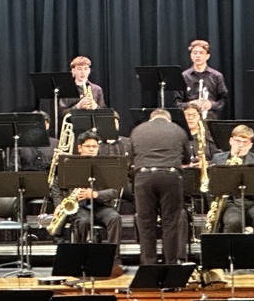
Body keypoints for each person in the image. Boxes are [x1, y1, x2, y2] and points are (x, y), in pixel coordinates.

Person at [129, 108, 190, 265]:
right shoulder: (178, 130)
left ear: (151, 118)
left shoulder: (137, 130)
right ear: (168, 119)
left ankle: (149, 265)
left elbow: (130, 158)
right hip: (170, 176)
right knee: (170, 223)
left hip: (144, 177)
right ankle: (171, 265)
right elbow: (187, 159)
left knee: (145, 222)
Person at [208, 124, 254, 246]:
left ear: (250, 145)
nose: (241, 145)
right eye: (238, 141)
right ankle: (231, 256)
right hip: (230, 202)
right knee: (234, 221)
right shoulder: (218, 158)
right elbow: (211, 186)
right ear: (231, 140)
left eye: (245, 142)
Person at [66, 131, 124, 277]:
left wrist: (96, 194)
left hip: (101, 206)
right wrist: (61, 204)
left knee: (115, 218)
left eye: (95, 146)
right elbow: (58, 187)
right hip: (79, 206)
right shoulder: (69, 164)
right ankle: (80, 260)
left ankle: (114, 261)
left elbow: (114, 191)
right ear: (79, 148)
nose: (92, 149)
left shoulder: (106, 166)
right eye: (88, 146)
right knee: (83, 221)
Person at [174, 39, 228, 119]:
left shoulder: (216, 76)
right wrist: (190, 105)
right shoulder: (183, 76)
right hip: (189, 119)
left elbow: (224, 100)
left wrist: (211, 105)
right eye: (195, 53)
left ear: (207, 56)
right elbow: (177, 103)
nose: (198, 56)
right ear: (191, 55)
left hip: (210, 118)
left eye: (201, 53)